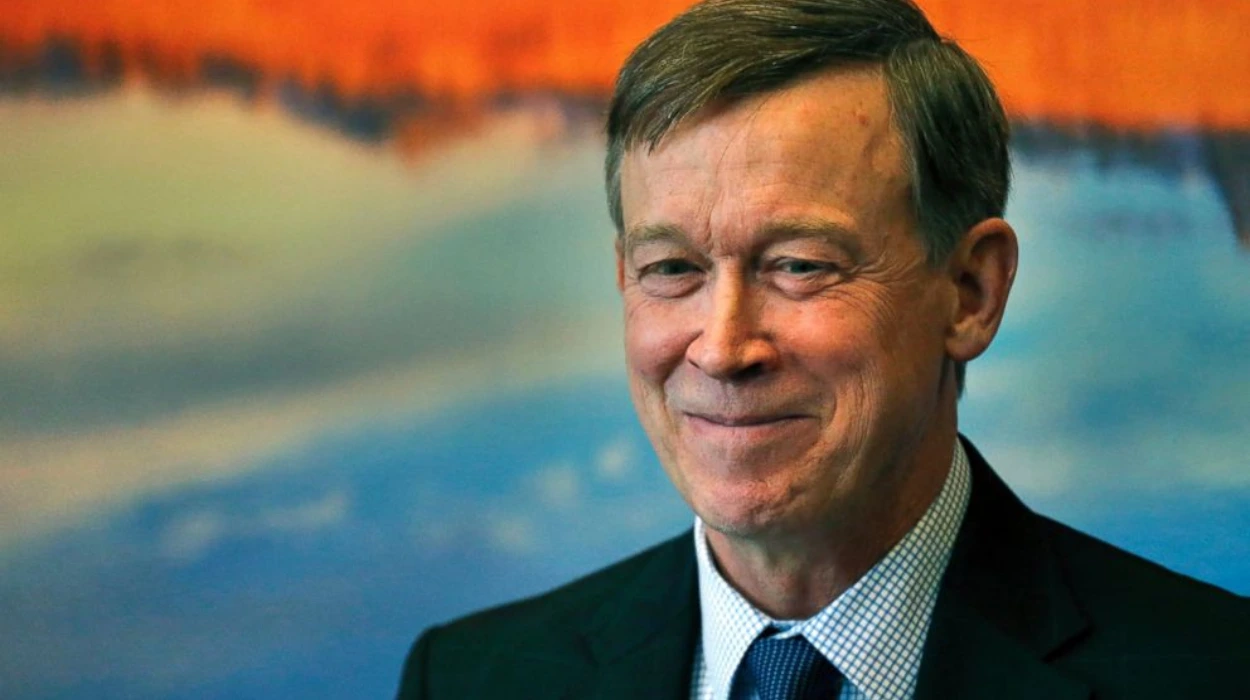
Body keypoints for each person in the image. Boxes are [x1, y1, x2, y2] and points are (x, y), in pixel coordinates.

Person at [397, 0, 1250, 697]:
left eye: (800, 266)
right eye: (674, 269)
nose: (722, 348)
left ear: (970, 292)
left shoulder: (1214, 674)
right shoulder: (471, 679)